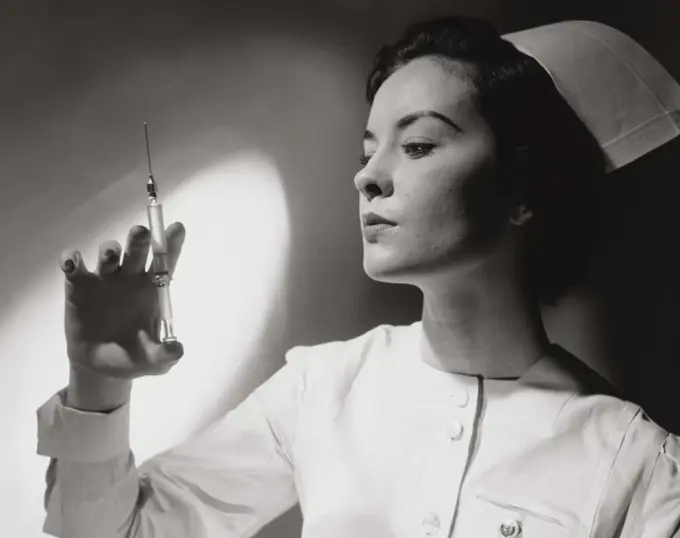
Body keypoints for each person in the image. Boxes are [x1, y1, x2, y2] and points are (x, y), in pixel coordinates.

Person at [37, 15, 680, 538]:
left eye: (419, 145)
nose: (366, 176)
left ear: (522, 189)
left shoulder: (638, 465)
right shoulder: (323, 389)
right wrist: (97, 384)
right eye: (367, 149)